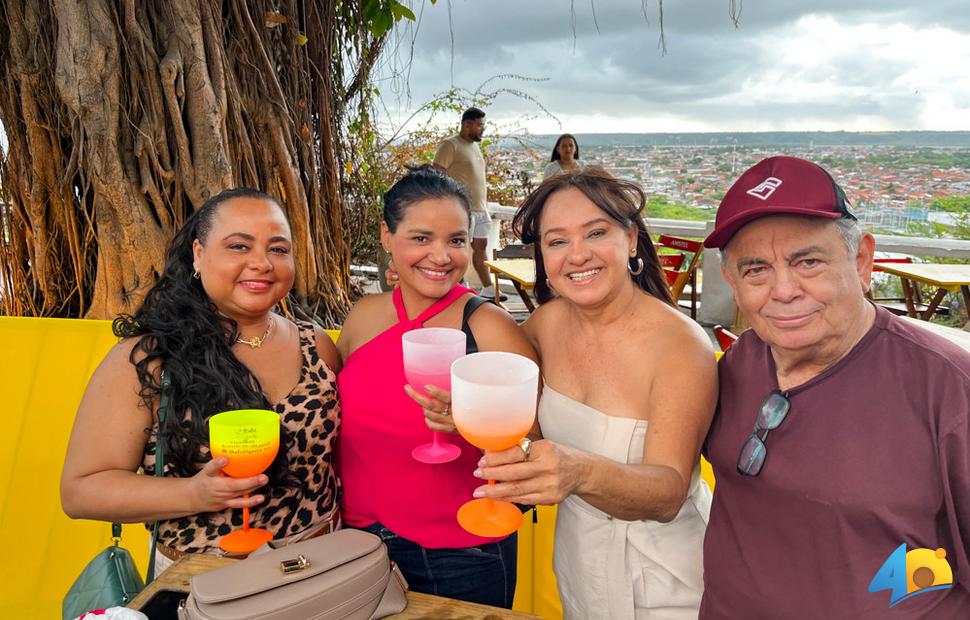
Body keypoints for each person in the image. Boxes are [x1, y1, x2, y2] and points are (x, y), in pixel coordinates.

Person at [700, 156, 970, 618]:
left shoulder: (946, 388)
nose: (783, 290)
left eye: (808, 261)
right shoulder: (736, 364)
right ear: (732, 281)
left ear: (862, 259)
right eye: (756, 270)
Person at [60, 188, 342, 575]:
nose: (261, 263)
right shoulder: (152, 358)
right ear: (198, 254)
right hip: (206, 582)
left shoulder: (317, 346)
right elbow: (80, 492)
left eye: (278, 249)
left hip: (319, 568)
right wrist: (195, 493)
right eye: (239, 247)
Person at [477, 169, 718, 619]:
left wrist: (580, 472)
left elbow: (668, 492)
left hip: (668, 585)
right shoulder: (547, 324)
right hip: (578, 568)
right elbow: (523, 415)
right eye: (557, 241)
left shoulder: (681, 346)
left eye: (596, 232)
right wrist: (472, 411)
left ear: (631, 240)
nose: (578, 254)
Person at [336, 165, 537, 608]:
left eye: (456, 240)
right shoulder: (363, 317)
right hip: (357, 543)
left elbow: (534, 443)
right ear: (388, 237)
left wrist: (470, 423)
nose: (441, 256)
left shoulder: (488, 327)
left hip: (461, 550)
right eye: (421, 238)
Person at [432, 107, 504, 300]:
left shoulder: (474, 146)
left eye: (483, 125)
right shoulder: (450, 145)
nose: (483, 129)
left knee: (480, 246)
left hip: (481, 208)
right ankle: (458, 286)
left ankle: (488, 288)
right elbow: (437, 172)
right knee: (459, 247)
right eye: (480, 125)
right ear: (467, 124)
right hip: (463, 208)